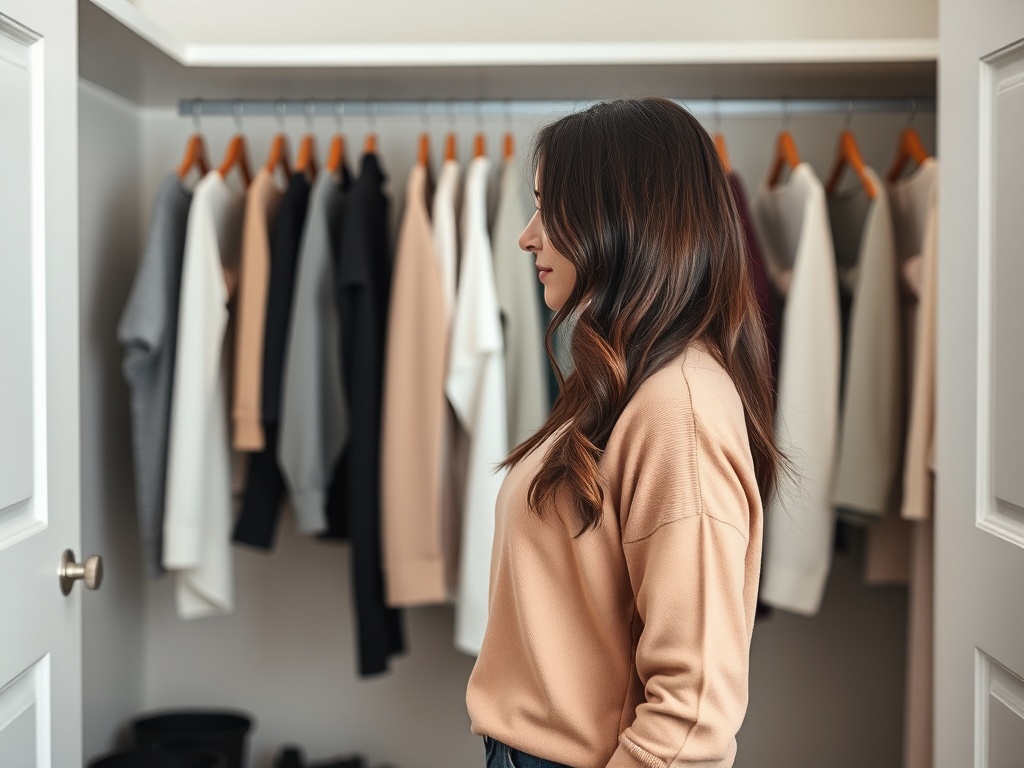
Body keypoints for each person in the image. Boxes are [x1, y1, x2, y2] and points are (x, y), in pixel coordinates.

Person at [466, 97, 783, 768]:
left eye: (549, 209)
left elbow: (693, 712)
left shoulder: (678, 408)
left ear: (623, 218)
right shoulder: (631, 386)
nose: (527, 236)